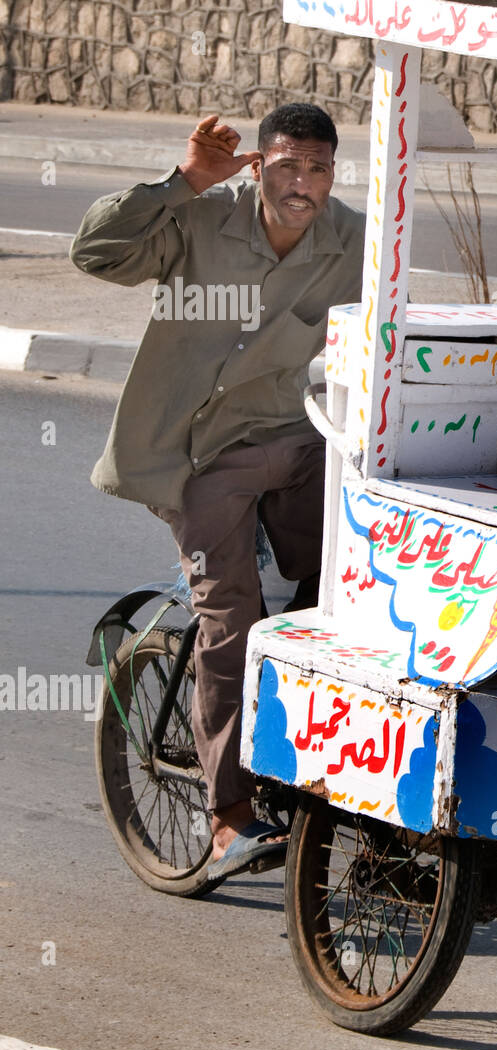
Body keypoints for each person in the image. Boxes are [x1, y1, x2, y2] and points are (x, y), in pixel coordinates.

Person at [71, 104, 365, 881]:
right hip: (196, 456)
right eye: (288, 166)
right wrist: (185, 180)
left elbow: (396, 331)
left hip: (292, 443)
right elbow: (95, 253)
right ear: (259, 166)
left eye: (318, 169)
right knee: (232, 621)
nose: (303, 185)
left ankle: (317, 764)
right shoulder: (202, 220)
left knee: (350, 588)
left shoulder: (352, 241)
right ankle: (230, 816)